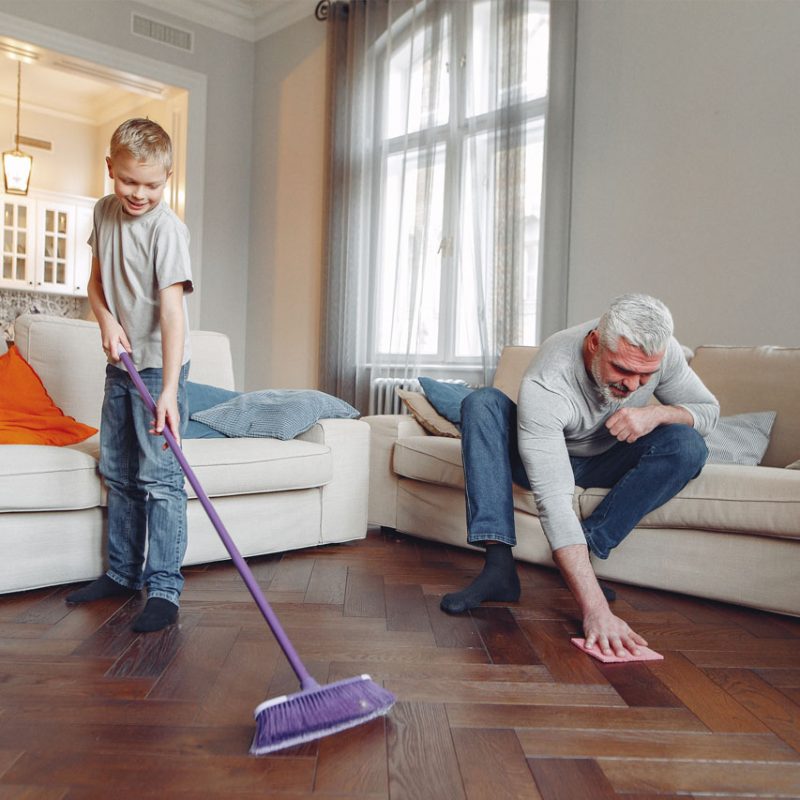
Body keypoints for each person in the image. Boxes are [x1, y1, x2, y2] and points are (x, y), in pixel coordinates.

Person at [440, 293, 719, 657]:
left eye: (645, 375)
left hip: (605, 455)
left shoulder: (663, 357)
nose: (634, 385)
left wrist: (657, 414)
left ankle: (585, 549)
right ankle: (498, 569)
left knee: (688, 445)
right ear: (594, 344)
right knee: (481, 403)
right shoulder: (548, 379)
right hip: (537, 453)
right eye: (622, 370)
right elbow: (554, 501)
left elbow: (709, 412)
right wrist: (596, 612)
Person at [65, 118, 193, 633]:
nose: (140, 194)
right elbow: (94, 285)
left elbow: (172, 313)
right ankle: (122, 574)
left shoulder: (168, 229)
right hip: (121, 366)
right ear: (110, 169)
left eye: (153, 184)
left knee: (160, 480)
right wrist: (106, 320)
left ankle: (164, 589)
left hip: (160, 365)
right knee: (118, 473)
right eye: (129, 181)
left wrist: (167, 392)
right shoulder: (102, 211)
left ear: (167, 178)